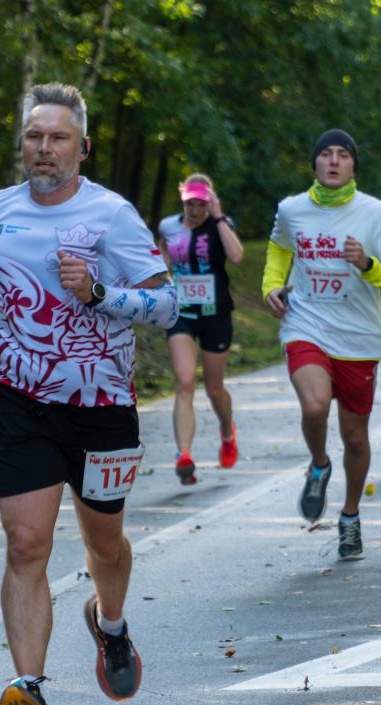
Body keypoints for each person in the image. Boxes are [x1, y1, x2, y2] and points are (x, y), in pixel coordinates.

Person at [0, 82, 177, 705]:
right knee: (26, 543)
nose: (43, 149)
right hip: (21, 401)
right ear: (21, 141)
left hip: (102, 407)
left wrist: (100, 291)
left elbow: (167, 310)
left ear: (82, 145)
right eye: (33, 136)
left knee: (104, 542)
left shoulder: (114, 215)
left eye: (57, 137)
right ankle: (30, 693)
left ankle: (109, 624)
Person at [261, 129, 381, 560]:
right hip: (305, 324)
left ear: (353, 166)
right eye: (325, 153)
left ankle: (349, 517)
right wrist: (272, 284)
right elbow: (277, 249)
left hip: (359, 338)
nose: (333, 161)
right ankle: (319, 464)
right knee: (315, 407)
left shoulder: (377, 215)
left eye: (342, 154)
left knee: (357, 438)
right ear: (314, 164)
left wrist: (367, 263)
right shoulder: (292, 210)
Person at [158, 173, 244, 485]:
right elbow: (162, 259)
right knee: (183, 383)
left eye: (201, 204)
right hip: (181, 312)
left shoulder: (221, 225)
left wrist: (219, 217)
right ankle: (184, 455)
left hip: (215, 314)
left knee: (214, 388)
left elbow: (236, 256)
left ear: (210, 201)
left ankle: (226, 431)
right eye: (189, 203)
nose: (195, 210)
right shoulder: (169, 226)